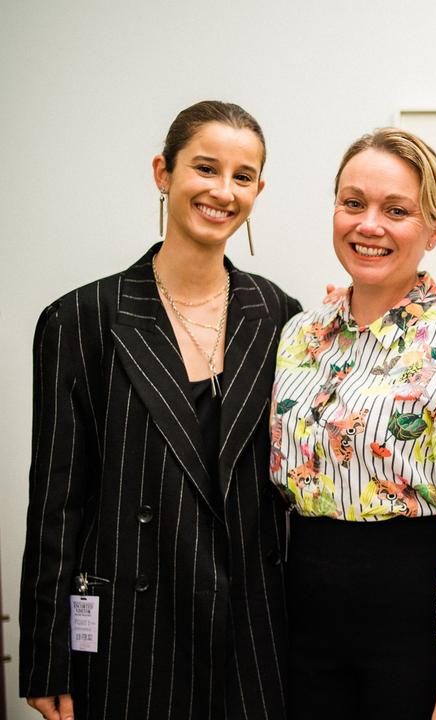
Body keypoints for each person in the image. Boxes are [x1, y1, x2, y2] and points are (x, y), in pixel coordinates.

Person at [20, 101, 297, 720]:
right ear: (162, 173)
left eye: (243, 175)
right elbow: (56, 505)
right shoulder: (81, 319)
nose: (223, 191)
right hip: (129, 634)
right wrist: (46, 655)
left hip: (250, 634)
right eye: (205, 168)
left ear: (257, 188)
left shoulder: (281, 315)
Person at [270, 127, 436, 720]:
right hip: (300, 616)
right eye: (353, 203)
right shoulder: (299, 337)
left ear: (434, 229)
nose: (369, 225)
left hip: (411, 624)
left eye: (397, 210)